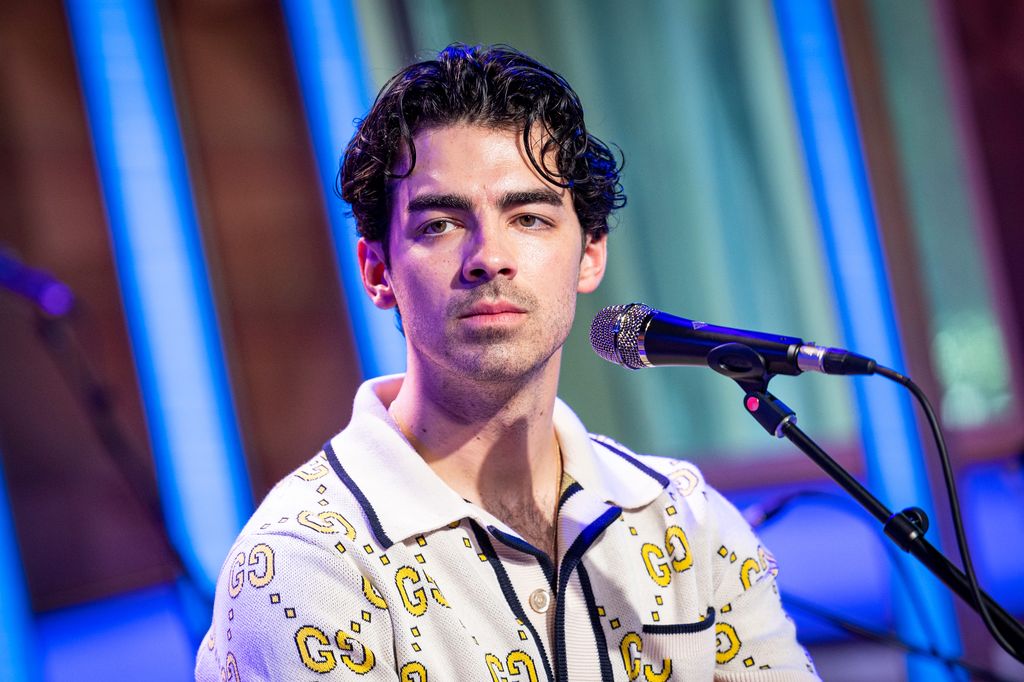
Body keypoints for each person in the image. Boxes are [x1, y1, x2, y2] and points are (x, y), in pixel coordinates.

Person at [196, 44, 819, 681]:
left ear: (590, 255)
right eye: (440, 223)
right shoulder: (307, 564)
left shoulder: (682, 517)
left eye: (527, 216)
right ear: (377, 270)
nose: (489, 256)